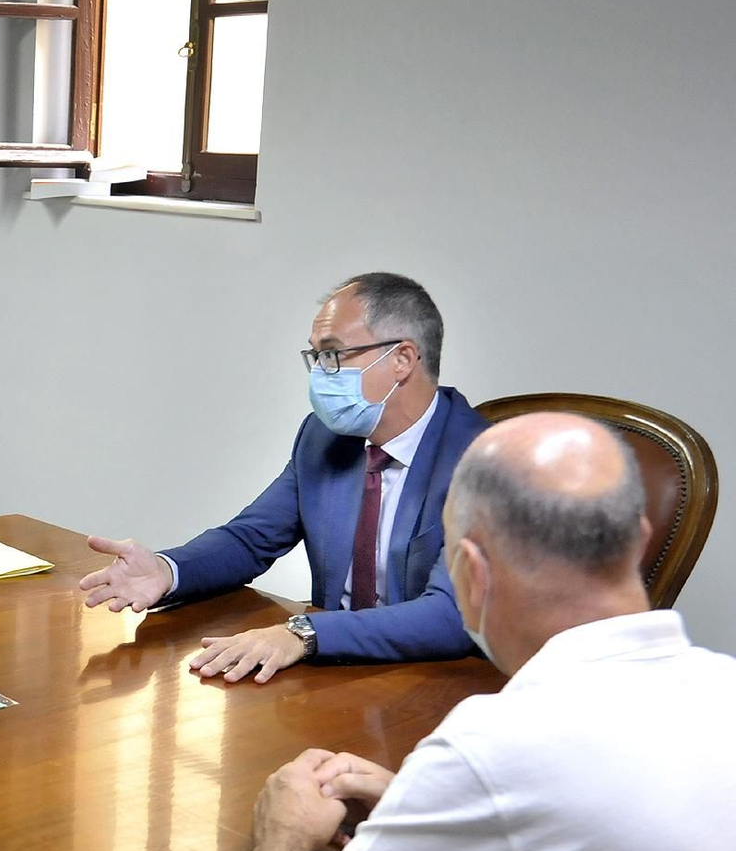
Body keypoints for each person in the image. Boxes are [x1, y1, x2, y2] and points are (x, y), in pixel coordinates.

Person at [240, 413, 736, 851]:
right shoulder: (722, 687)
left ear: (470, 571)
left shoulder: (492, 752)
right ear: (638, 539)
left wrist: (283, 836)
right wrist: (423, 803)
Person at [80, 273, 488, 682]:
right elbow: (251, 538)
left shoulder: (486, 462)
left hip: (435, 681)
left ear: (402, 359)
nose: (320, 375)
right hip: (332, 674)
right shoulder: (323, 437)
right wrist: (168, 570)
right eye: (315, 358)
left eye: (332, 355)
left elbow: (449, 616)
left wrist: (302, 633)